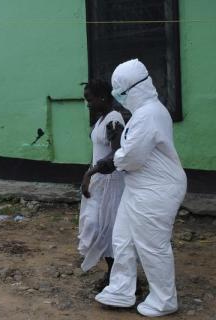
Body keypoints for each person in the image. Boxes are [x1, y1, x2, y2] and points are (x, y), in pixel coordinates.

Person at [95, 59, 187, 317]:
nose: (118, 98)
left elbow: (133, 157)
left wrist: (115, 159)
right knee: (122, 238)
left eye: (120, 92)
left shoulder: (149, 114)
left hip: (157, 189)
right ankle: (121, 289)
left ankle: (164, 300)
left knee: (151, 245)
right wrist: (121, 155)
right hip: (139, 186)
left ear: (132, 89)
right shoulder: (145, 112)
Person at [78, 80, 125, 290]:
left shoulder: (114, 119)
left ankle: (118, 277)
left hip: (110, 182)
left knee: (108, 228)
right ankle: (113, 273)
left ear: (103, 97)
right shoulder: (101, 120)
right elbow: (98, 149)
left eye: (90, 99)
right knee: (96, 225)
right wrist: (89, 174)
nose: (87, 103)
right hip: (99, 181)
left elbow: (116, 153)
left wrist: (91, 173)